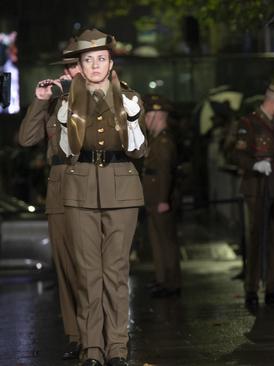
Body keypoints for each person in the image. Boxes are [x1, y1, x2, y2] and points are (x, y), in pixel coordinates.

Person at [57, 28, 147, 366]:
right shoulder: (68, 101)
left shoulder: (128, 98)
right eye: (88, 60)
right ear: (79, 65)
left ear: (110, 63)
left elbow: (139, 151)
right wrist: (66, 125)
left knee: (116, 272)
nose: (95, 65)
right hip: (80, 188)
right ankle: (92, 348)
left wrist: (134, 120)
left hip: (122, 187)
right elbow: (65, 152)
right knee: (88, 273)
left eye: (101, 59)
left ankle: (117, 347)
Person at [18, 37, 82, 360]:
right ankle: (76, 335)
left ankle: (98, 332)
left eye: (76, 65)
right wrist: (43, 100)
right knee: (66, 266)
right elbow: (27, 138)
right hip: (58, 187)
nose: (72, 72)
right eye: (68, 66)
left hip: (89, 182)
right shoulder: (56, 100)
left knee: (91, 265)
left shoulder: (97, 95)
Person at [231, 83, 274, 307]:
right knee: (257, 238)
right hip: (256, 188)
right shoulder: (249, 123)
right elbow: (237, 155)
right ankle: (251, 289)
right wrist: (255, 165)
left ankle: (273, 288)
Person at [141, 94, 182, 298]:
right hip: (153, 197)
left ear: (159, 116)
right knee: (157, 241)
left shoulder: (164, 141)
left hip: (160, 198)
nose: (146, 120)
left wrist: (164, 199)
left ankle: (172, 282)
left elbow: (165, 172)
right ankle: (162, 279)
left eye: (149, 116)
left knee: (166, 241)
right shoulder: (155, 140)